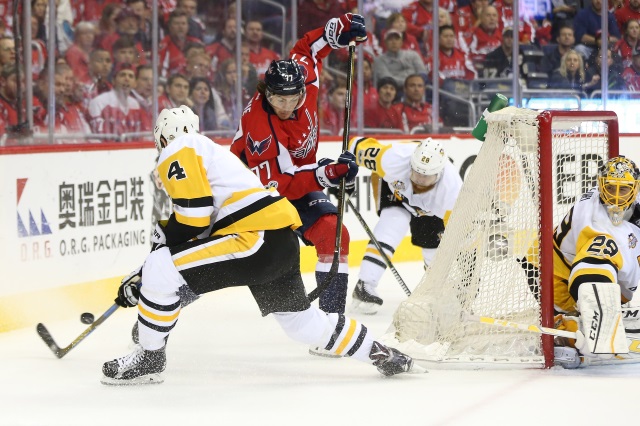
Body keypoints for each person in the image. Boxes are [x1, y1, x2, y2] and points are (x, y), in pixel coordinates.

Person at [100, 106, 418, 385]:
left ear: (163, 138)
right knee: (302, 325)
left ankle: (150, 357)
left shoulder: (180, 148)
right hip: (277, 243)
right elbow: (198, 235)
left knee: (160, 268)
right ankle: (380, 352)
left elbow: (192, 220)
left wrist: (150, 273)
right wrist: (146, 275)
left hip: (254, 239)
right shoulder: (212, 157)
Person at [229, 13, 367, 356]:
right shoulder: (259, 126)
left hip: (295, 182)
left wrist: (338, 29)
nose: (288, 105)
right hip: (253, 195)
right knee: (230, 260)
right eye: (279, 100)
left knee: (335, 235)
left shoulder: (304, 84)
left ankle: (331, 324)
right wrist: (327, 173)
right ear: (266, 93)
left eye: (293, 98)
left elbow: (308, 47)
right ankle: (165, 300)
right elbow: (283, 185)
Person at [521, 156, 640, 365]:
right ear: (601, 186)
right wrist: (594, 323)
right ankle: (566, 330)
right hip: (552, 273)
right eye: (611, 188)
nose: (616, 197)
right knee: (600, 257)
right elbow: (590, 269)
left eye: (623, 189)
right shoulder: (594, 218)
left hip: (572, 266)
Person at [348, 137, 462, 314]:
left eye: (426, 176)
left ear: (438, 174)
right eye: (417, 173)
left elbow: (458, 236)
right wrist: (343, 174)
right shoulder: (392, 159)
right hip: (394, 189)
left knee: (434, 246)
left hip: (429, 208)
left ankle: (435, 291)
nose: (419, 181)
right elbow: (355, 146)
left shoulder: (451, 193)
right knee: (393, 223)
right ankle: (365, 284)